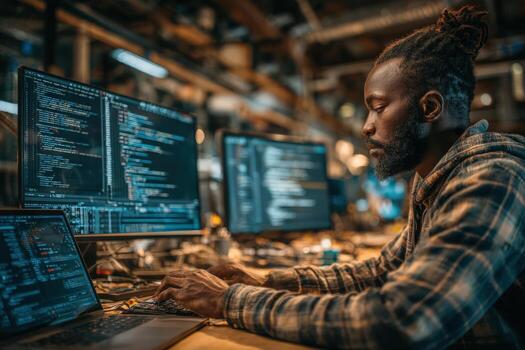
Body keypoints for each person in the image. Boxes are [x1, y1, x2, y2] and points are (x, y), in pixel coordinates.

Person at [154, 6, 525, 349]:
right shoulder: (441, 179)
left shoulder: (491, 179)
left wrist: (228, 301)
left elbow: (402, 319)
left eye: (378, 108)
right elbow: (384, 271)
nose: (366, 127)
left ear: (429, 108)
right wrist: (266, 281)